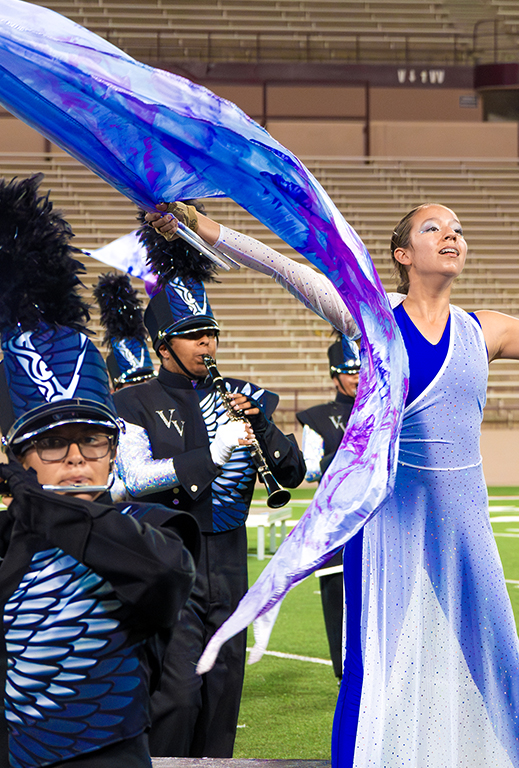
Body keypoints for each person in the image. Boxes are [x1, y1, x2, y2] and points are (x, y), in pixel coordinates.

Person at [144, 200, 519, 768]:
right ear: (402, 253)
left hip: (464, 516)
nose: (451, 235)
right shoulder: (371, 316)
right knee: (376, 658)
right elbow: (282, 265)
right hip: (390, 516)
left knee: (492, 652)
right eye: (433, 229)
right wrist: (200, 225)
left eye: (457, 229)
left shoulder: (485, 330)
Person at [0, 173, 197, 768]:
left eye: (93, 443)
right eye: (55, 447)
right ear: (21, 456)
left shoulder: (153, 528)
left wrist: (39, 501)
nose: (78, 461)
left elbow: (163, 579)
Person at [112, 210, 307, 758]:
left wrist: (262, 427)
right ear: (162, 344)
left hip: (229, 556)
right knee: (177, 693)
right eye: (191, 335)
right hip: (169, 555)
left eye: (210, 333)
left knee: (224, 688)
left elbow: (292, 474)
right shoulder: (133, 402)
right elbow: (129, 482)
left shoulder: (247, 393)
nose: (206, 345)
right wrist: (207, 457)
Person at [297, 335, 361, 679]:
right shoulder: (317, 418)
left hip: (380, 519)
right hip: (335, 522)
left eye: (360, 369)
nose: (356, 377)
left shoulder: (383, 409)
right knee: (337, 599)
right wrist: (344, 455)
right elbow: (307, 470)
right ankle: (343, 674)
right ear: (335, 375)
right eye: (349, 371)